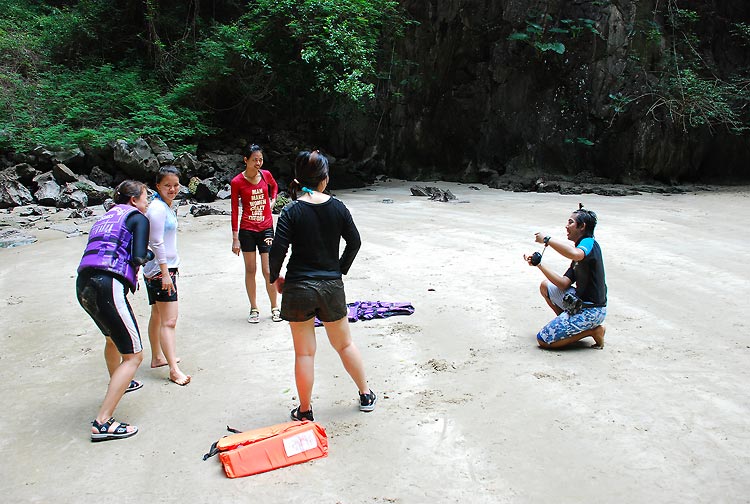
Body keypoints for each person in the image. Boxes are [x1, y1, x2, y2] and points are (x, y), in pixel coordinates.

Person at [269, 150, 376, 421]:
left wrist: (276, 279)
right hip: (330, 286)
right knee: (344, 344)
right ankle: (365, 394)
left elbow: (278, 250)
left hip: (299, 287)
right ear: (325, 179)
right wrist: (338, 270)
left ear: (298, 179)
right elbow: (355, 243)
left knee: (304, 353)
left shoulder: (292, 210)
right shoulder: (338, 207)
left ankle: (304, 410)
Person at [76, 180, 151, 441]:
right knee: (134, 356)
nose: (147, 202)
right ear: (133, 200)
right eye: (145, 198)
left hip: (83, 284)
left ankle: (121, 381)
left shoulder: (105, 217)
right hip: (107, 284)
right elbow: (139, 256)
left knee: (111, 337)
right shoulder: (137, 217)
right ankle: (103, 422)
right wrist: (149, 255)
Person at [524, 204, 608, 349]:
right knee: (545, 286)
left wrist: (547, 240)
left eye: (570, 222)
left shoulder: (588, 242)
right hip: (580, 303)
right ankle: (568, 327)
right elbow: (563, 283)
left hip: (592, 310)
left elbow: (575, 254)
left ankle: (593, 330)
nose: (566, 226)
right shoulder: (579, 251)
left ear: (582, 227)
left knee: (544, 340)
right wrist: (539, 264)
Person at [143, 166, 190, 386]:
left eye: (175, 185)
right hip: (161, 271)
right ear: (157, 186)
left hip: (160, 269)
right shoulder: (157, 209)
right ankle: (174, 369)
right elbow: (156, 242)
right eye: (167, 186)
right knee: (169, 321)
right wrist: (165, 273)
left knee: (158, 315)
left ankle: (157, 357)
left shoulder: (164, 206)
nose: (172, 189)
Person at [230, 144, 281, 323]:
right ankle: (254, 308)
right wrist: (235, 238)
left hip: (266, 228)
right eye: (254, 160)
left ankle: (275, 307)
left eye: (260, 159)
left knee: (268, 270)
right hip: (247, 230)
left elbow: (275, 187)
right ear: (246, 160)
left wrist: (273, 200)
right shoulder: (237, 182)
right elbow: (235, 210)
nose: (258, 163)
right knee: (251, 270)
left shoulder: (266, 175)